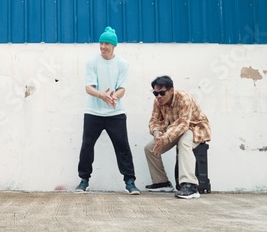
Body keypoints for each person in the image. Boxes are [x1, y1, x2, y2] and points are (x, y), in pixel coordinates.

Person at [75, 26, 140, 195]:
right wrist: (101, 95)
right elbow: (88, 88)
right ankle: (84, 180)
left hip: (115, 112)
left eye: (106, 44)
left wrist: (113, 97)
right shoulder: (92, 62)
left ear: (113, 46)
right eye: (101, 43)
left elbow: (122, 89)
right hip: (93, 112)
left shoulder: (123, 64)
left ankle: (130, 181)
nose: (103, 47)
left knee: (122, 146)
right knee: (87, 145)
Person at [144, 75, 211, 199]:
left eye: (162, 93)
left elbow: (184, 123)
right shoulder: (157, 101)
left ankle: (190, 185)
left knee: (184, 143)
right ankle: (161, 182)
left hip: (194, 127)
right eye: (155, 93)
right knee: (149, 148)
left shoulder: (184, 98)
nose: (159, 96)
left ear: (171, 90)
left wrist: (165, 138)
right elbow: (154, 121)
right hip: (172, 130)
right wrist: (157, 134)